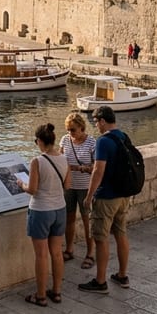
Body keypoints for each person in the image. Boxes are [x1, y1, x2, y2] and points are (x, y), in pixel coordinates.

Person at [81, 106, 132, 293]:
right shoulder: (123, 137)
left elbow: (98, 170)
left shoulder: (103, 141)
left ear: (102, 120)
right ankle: (122, 275)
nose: (96, 126)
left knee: (100, 238)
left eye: (96, 122)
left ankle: (100, 281)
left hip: (106, 197)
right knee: (121, 234)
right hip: (123, 196)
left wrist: (88, 196)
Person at [18, 123, 69, 306]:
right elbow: (67, 185)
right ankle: (56, 292)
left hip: (41, 210)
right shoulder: (64, 159)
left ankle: (40, 295)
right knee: (56, 253)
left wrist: (20, 184)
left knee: (41, 255)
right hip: (60, 209)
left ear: (39, 141)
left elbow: (31, 189)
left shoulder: (37, 161)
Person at [61, 112, 97, 270]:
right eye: (68, 129)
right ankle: (69, 249)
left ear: (82, 128)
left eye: (73, 129)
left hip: (85, 187)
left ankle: (90, 253)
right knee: (68, 219)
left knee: (86, 221)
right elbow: (60, 160)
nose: (70, 133)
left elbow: (97, 168)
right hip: (69, 187)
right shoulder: (65, 140)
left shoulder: (91, 143)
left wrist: (80, 168)